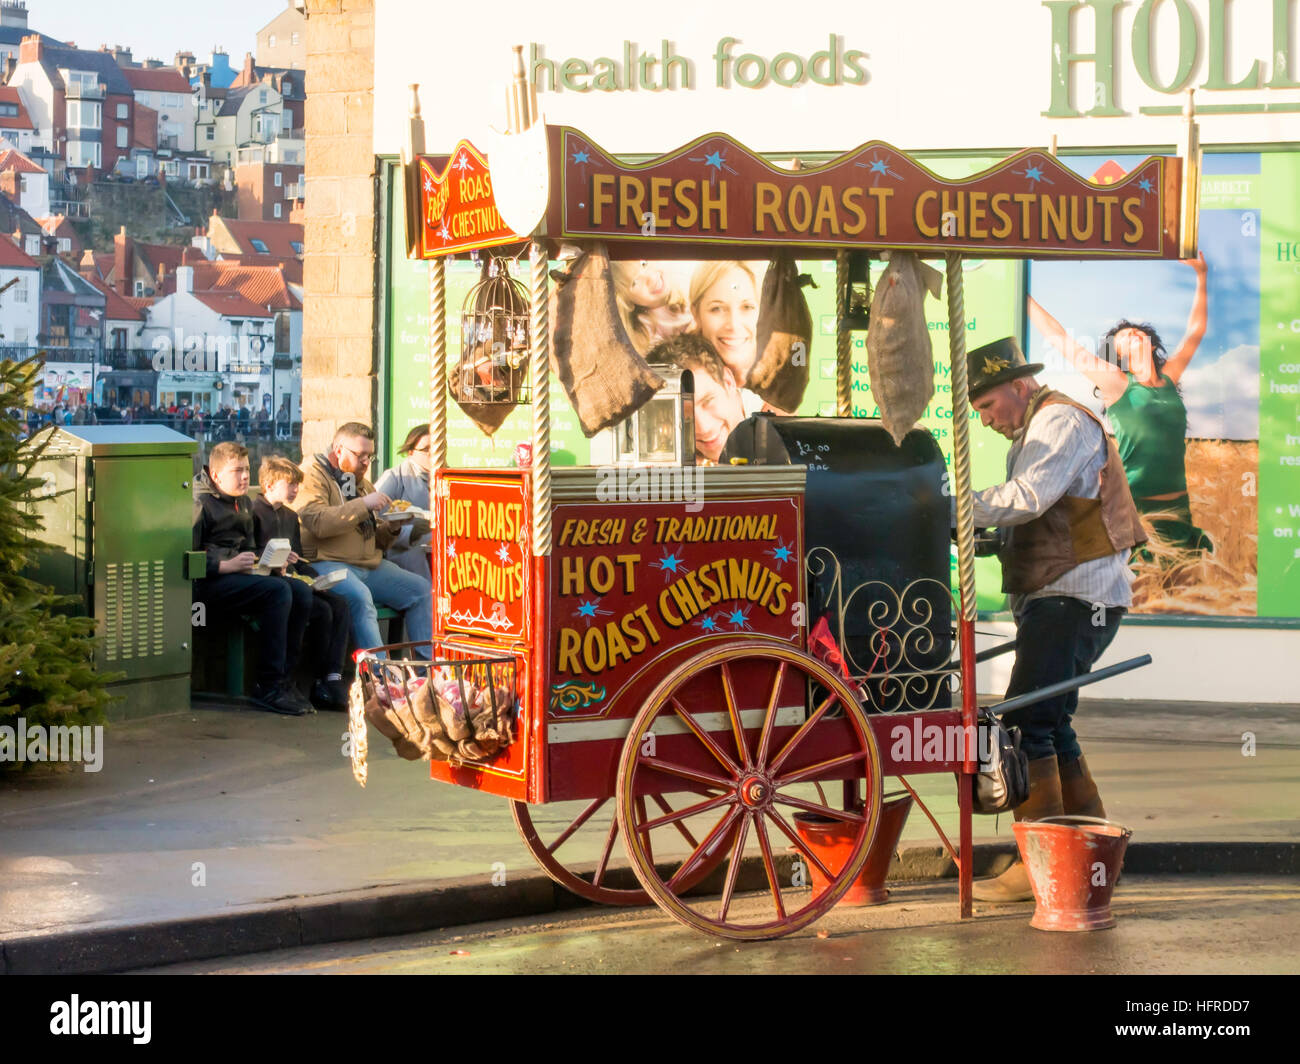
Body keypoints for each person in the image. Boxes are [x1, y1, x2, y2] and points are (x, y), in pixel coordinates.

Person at [963, 337, 1146, 903]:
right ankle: (1089, 856)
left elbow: (1029, 497)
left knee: (1025, 721)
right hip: (1070, 596)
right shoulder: (1038, 427)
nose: (986, 420)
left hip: (1072, 596)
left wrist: (948, 506)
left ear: (1019, 386)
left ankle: (1036, 863)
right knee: (1052, 721)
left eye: (989, 405)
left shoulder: (1058, 421)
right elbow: (1043, 514)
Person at [1027, 253, 1211, 553]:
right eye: (1125, 336)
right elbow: (1060, 338)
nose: (1135, 334)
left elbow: (1196, 331)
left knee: (1180, 590)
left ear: (1152, 344)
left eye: (1139, 332)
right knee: (1140, 593)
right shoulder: (1117, 383)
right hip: (1135, 508)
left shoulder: (1168, 379)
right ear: (1118, 354)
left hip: (1178, 507)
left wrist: (1202, 276)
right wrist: (1022, 295)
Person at [192, 441, 315, 715]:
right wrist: (225, 566)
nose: (245, 477)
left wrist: (269, 563)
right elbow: (186, 556)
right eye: (237, 471)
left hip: (238, 578)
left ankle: (284, 680)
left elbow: (247, 549)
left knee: (300, 591)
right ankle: (267, 685)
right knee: (278, 592)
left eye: (247, 470)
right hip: (206, 586)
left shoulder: (243, 502)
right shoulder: (200, 503)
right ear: (216, 475)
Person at [293, 422, 434, 660]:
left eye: (370, 455)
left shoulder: (361, 483)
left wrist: (392, 528)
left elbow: (375, 539)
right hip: (327, 563)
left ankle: (427, 673)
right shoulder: (313, 474)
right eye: (360, 455)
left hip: (368, 565)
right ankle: (382, 680)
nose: (366, 462)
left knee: (421, 591)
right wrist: (364, 505)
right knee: (360, 598)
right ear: (338, 450)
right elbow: (317, 522)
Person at [253, 456, 352, 710]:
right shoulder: (254, 513)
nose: (296, 490)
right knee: (322, 611)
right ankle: (291, 678)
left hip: (293, 579)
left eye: (297, 484)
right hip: (273, 583)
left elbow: (297, 558)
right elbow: (252, 555)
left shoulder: (289, 516)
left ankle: (331, 677)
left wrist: (313, 575)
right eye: (291, 484)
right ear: (270, 484)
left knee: (340, 604)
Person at [652, 332, 746, 465]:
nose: (703, 428)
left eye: (708, 401)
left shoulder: (780, 421)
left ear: (728, 381)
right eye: (683, 414)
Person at [374, 424, 434, 579]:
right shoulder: (394, 477)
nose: (433, 453)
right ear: (411, 452)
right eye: (426, 449)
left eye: (438, 447)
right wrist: (410, 532)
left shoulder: (448, 478)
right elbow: (374, 522)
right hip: (403, 555)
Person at [612, 260, 694, 355]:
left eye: (644, 264)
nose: (650, 278)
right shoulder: (646, 330)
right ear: (627, 302)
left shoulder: (685, 279)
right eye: (634, 282)